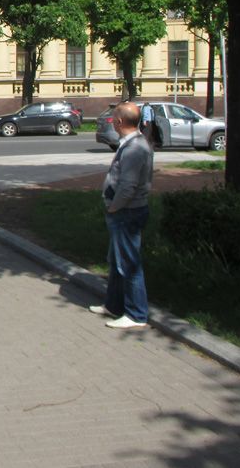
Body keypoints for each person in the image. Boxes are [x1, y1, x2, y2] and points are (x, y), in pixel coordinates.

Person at [89, 101, 154, 330]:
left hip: (127, 212)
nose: (111, 121)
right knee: (117, 261)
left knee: (129, 264)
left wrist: (114, 207)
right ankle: (114, 305)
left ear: (118, 122)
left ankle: (136, 314)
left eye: (113, 118)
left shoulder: (135, 148)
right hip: (124, 211)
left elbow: (128, 186)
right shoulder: (131, 144)